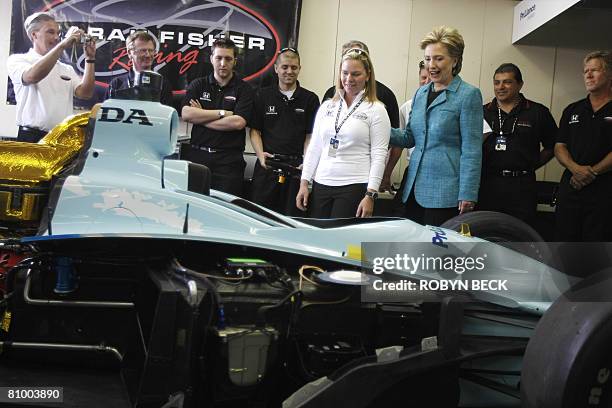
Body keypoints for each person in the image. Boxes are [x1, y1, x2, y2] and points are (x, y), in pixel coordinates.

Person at [389, 26, 483, 226]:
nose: (431, 65)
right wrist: (376, 130)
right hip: (413, 189)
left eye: (439, 58)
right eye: (428, 58)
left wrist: (468, 193)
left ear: (455, 60)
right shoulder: (421, 94)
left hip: (445, 194)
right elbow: (410, 137)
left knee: (436, 253)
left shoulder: (468, 95)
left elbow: (472, 150)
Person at [296, 48, 390, 218]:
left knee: (342, 243)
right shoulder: (327, 106)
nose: (349, 79)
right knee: (317, 238)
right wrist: (304, 183)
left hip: (354, 185)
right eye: (345, 73)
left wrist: (371, 194)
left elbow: (379, 154)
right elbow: (315, 147)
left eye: (356, 74)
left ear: (368, 75)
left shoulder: (376, 109)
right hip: (321, 183)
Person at [478, 63, 557, 225]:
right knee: (487, 232)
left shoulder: (537, 112)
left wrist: (532, 165)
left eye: (507, 82)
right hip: (488, 183)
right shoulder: (482, 112)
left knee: (520, 235)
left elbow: (553, 145)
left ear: (520, 84)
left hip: (522, 185)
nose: (500, 87)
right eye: (496, 82)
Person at [249, 47, 320, 215]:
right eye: (285, 67)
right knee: (260, 218)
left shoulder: (310, 99)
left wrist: (307, 164)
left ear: (299, 69)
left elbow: (310, 136)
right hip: (267, 168)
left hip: (296, 169)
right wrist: (260, 156)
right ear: (276, 69)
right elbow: (254, 131)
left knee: (292, 220)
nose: (289, 71)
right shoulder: (262, 95)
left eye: (294, 67)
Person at [181, 38, 255, 197]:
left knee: (226, 210)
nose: (223, 63)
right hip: (198, 158)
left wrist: (202, 118)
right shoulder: (198, 84)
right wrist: (222, 113)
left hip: (229, 162)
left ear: (235, 61)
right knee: (194, 207)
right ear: (211, 59)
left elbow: (238, 123)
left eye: (228, 59)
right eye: (218, 58)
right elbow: (187, 114)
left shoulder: (245, 89)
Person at [7, 12, 96, 142]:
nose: (56, 37)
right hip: (32, 138)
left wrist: (90, 59)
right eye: (50, 32)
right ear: (34, 35)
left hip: (61, 139)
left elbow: (85, 93)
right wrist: (63, 45)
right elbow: (32, 77)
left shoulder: (66, 68)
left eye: (57, 33)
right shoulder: (18, 60)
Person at [554, 51, 612, 242]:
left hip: (603, 193)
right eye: (585, 71)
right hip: (571, 189)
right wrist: (575, 169)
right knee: (565, 246)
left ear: (609, 73)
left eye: (594, 70)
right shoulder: (573, 109)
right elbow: (559, 146)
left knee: (596, 250)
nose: (588, 75)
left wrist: (591, 173)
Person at [322, 40, 399, 128]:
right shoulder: (330, 95)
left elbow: (393, 133)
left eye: (356, 74)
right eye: (347, 57)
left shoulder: (385, 96)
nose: (349, 79)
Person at [380, 60, 430, 193]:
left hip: (438, 172)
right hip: (413, 169)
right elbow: (402, 142)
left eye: (430, 78)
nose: (427, 82)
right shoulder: (408, 106)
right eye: (424, 78)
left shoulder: (457, 101)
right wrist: (386, 174)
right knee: (400, 210)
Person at [104, 31, 173, 107]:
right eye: (142, 50)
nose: (148, 55)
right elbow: (105, 114)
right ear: (130, 53)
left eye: (151, 50)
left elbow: (166, 116)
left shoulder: (163, 84)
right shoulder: (116, 84)